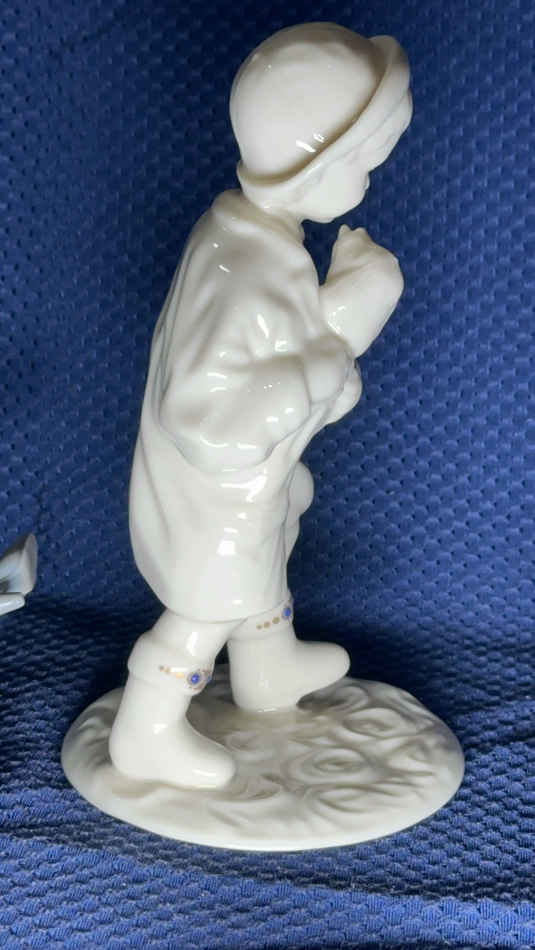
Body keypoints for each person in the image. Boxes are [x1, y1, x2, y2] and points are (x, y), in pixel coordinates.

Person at [109, 22, 413, 788]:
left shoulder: (262, 244)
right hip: (214, 494)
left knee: (272, 541)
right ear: (313, 170)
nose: (370, 180)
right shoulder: (241, 267)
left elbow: (288, 356)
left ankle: (267, 666)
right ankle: (146, 729)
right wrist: (331, 348)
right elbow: (205, 413)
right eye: (361, 164)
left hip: (253, 483)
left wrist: (334, 331)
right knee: (210, 599)